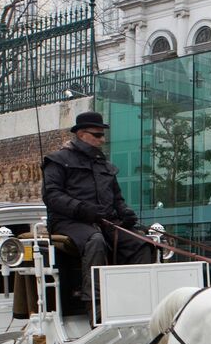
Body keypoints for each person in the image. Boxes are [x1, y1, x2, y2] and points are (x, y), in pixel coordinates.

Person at [42, 111, 153, 313]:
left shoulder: (105, 166)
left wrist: (126, 213)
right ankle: (96, 304)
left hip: (104, 222)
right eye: (97, 135)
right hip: (69, 223)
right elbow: (52, 196)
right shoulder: (57, 160)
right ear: (82, 134)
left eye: (103, 135)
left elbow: (117, 198)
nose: (102, 140)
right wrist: (82, 209)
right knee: (95, 241)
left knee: (142, 243)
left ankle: (137, 299)